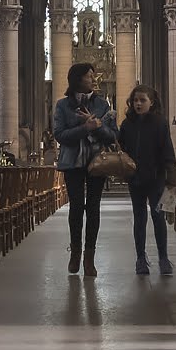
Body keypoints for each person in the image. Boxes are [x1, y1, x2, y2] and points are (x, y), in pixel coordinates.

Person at [52, 62, 117, 275]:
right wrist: (84, 128)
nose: (93, 79)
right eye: (90, 75)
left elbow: (112, 135)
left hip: (97, 162)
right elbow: (60, 135)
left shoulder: (102, 105)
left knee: (94, 208)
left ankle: (90, 257)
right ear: (78, 79)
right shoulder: (63, 105)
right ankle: (75, 253)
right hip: (72, 163)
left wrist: (98, 127)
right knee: (77, 207)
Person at [117, 85, 176, 275]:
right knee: (139, 218)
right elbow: (121, 148)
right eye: (135, 100)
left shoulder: (160, 123)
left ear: (151, 103)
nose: (138, 103)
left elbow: (168, 152)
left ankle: (163, 257)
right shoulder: (127, 125)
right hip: (135, 178)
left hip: (156, 178)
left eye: (142, 100)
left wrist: (172, 180)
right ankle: (140, 259)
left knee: (158, 216)